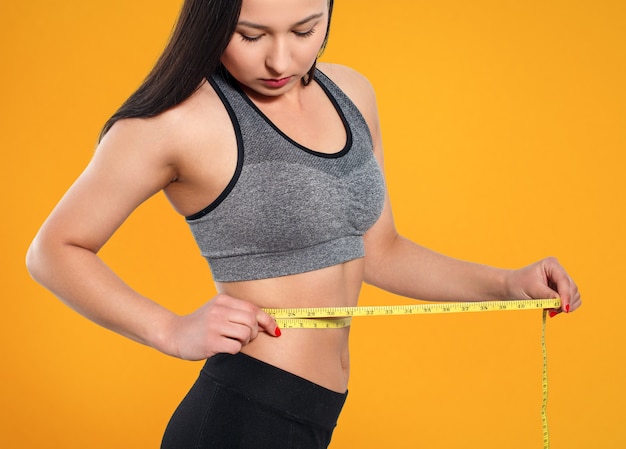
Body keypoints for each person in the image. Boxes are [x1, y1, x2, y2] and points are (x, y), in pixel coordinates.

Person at [26, 0, 582, 447]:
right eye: (251, 35)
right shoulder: (179, 123)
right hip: (243, 416)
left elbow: (380, 249)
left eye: (305, 28)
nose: (280, 60)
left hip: (317, 415)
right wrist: (168, 330)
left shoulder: (352, 93)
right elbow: (54, 249)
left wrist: (509, 283)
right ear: (213, 19)